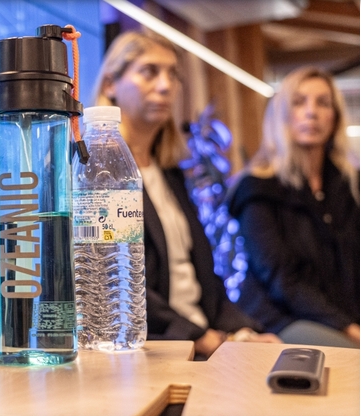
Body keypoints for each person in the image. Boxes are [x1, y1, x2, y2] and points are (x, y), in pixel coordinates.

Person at [91, 30, 281, 359]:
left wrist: (242, 331)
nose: (165, 85)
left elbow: (204, 275)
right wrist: (202, 338)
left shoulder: (171, 174)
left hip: (203, 337)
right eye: (149, 71)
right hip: (152, 345)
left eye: (173, 74)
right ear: (110, 84)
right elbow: (114, 279)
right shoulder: (99, 172)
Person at [226, 66, 360, 348]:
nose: (312, 112)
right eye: (299, 102)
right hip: (281, 317)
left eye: (323, 103)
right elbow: (282, 280)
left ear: (335, 116)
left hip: (343, 312)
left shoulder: (349, 184)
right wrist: (348, 328)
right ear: (282, 114)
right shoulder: (257, 188)